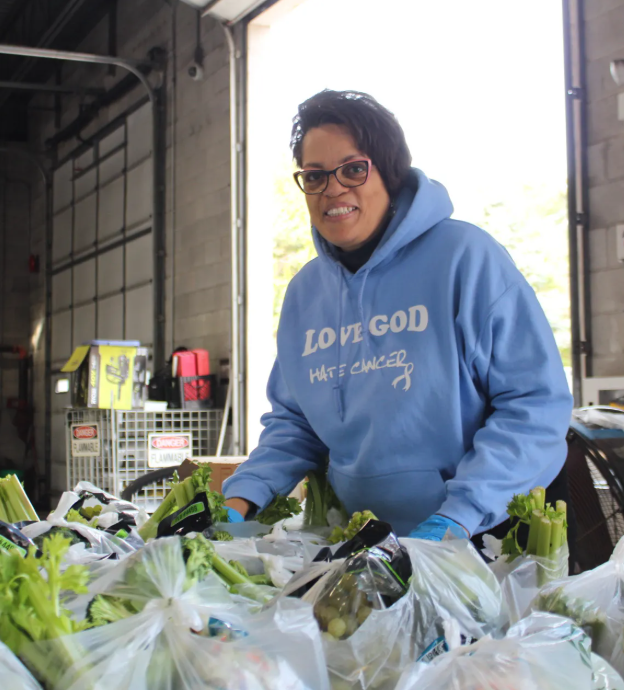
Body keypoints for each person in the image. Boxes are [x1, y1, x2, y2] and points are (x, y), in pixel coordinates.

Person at [222, 90, 572, 542]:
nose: (333, 189)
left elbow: (535, 405)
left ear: (388, 173)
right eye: (314, 176)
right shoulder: (304, 294)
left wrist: (459, 516)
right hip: (372, 538)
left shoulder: (465, 258)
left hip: (489, 531)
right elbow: (296, 424)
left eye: (352, 170)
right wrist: (240, 500)